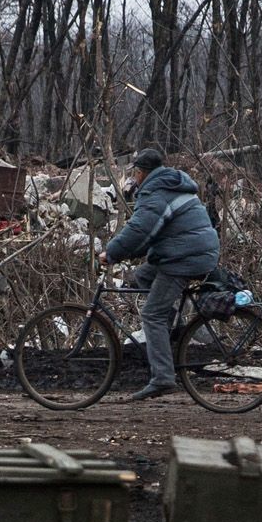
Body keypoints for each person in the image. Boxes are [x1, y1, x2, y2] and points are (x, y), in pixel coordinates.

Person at [102, 145, 221, 400]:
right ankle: (167, 332)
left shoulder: (157, 192)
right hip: (189, 251)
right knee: (143, 276)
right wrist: (130, 253)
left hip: (185, 258)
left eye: (135, 173)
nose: (133, 178)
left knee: (152, 314)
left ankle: (163, 377)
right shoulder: (170, 185)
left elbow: (139, 229)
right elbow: (153, 232)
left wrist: (111, 253)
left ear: (143, 173)